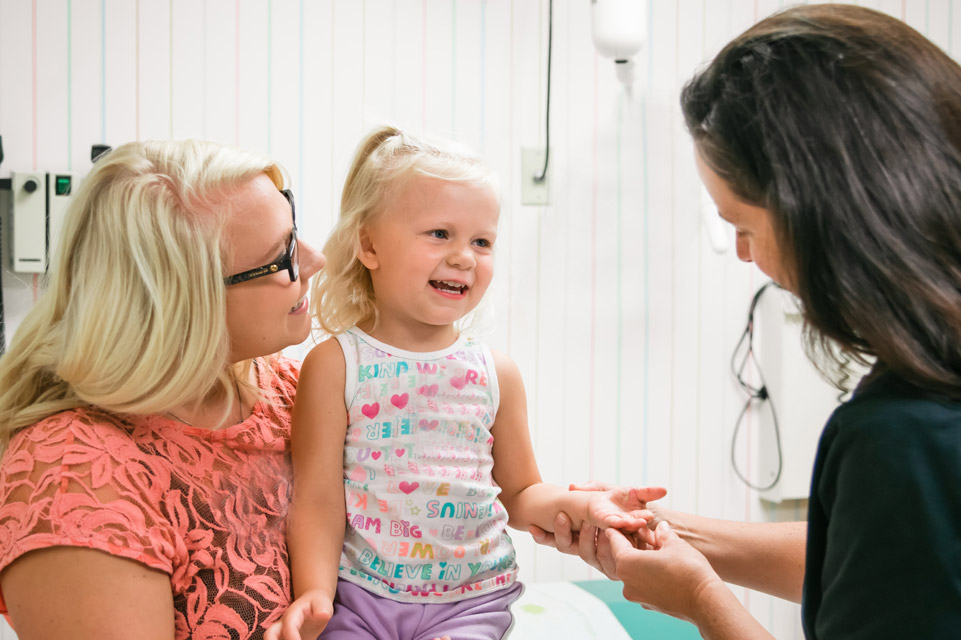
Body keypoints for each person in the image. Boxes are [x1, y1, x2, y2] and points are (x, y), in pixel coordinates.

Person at [533, 4, 961, 639]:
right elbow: (890, 554)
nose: (743, 255)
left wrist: (702, 599)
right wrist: (674, 533)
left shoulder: (901, 436)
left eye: (743, 226)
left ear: (823, 214)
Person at [265, 125, 665, 640]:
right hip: (360, 599)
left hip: (471, 605)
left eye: (482, 241)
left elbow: (521, 493)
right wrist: (315, 592)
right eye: (440, 234)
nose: (464, 257)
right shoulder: (336, 365)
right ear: (368, 244)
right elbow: (317, 499)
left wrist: (582, 505)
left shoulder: (495, 373)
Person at [0, 139, 326, 640]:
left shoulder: (285, 388)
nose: (315, 260)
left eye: (295, 231)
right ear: (186, 302)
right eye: (282, 255)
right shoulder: (74, 479)